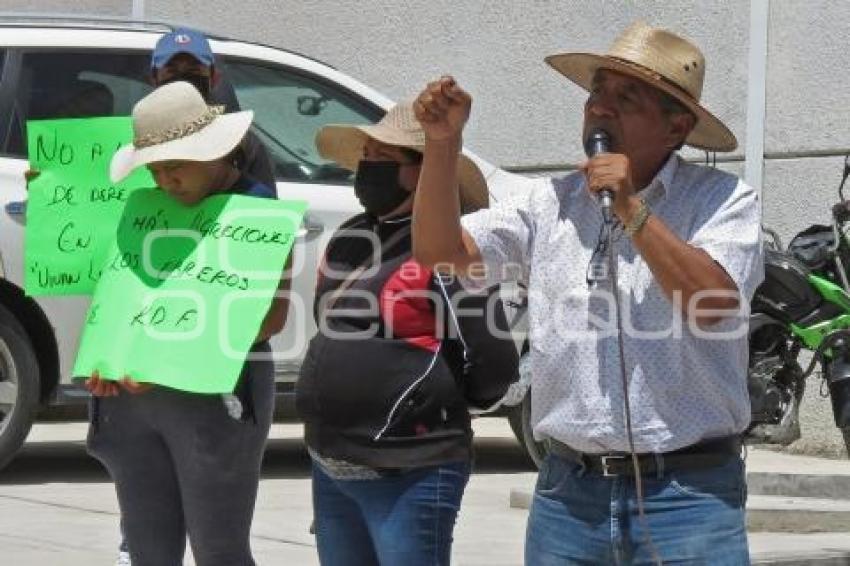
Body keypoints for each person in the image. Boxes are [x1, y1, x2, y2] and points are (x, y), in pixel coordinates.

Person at [411, 22, 763, 565]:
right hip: (569, 495)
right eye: (597, 90)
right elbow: (440, 252)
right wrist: (441, 146)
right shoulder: (547, 203)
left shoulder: (724, 202)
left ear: (677, 127)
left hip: (688, 496)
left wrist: (629, 206)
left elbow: (711, 306)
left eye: (627, 97)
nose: (600, 106)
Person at [296, 101, 518, 566]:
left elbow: (494, 362)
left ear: (421, 172)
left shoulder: (449, 251)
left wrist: (432, 401)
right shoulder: (349, 237)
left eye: (381, 157)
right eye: (366, 156)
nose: (366, 168)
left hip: (411, 470)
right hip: (331, 465)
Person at [85, 81, 290, 566]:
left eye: (174, 166)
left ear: (216, 152)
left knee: (218, 548)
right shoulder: (141, 207)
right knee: (147, 549)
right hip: (134, 400)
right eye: (153, 169)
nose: (163, 181)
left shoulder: (256, 212)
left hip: (215, 404)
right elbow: (116, 293)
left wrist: (169, 359)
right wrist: (108, 360)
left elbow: (269, 319)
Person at [151, 27, 276, 192]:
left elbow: (265, 211)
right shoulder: (141, 143)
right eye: (172, 71)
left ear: (214, 78)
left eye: (193, 70)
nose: (182, 79)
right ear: (154, 79)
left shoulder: (244, 144)